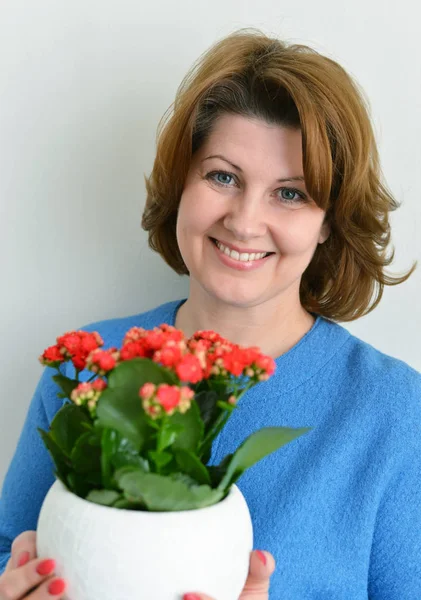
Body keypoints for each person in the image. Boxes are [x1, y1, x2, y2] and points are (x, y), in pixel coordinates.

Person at [0, 27, 420, 600]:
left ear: (328, 223)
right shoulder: (83, 365)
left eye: (290, 193)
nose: (245, 221)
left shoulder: (395, 412)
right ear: (182, 185)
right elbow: (11, 548)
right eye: (223, 176)